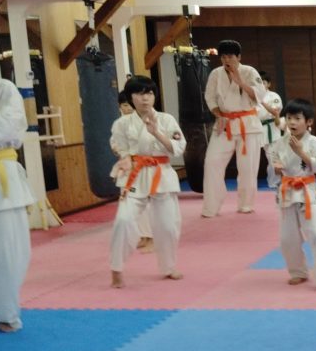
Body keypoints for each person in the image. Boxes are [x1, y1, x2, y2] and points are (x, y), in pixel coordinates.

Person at [108, 76, 187, 289]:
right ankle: (116, 268)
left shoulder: (166, 120)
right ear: (130, 98)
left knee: (168, 226)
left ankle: (168, 266)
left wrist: (156, 133)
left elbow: (179, 148)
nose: (145, 98)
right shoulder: (122, 123)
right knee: (123, 220)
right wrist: (125, 158)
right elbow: (119, 146)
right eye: (140, 94)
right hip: (135, 174)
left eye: (149, 93)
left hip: (161, 173)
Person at [266, 98, 316, 295]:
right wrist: (276, 168)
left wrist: (301, 153)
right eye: (289, 118)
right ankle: (298, 271)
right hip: (287, 191)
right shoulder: (279, 143)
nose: (292, 122)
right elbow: (273, 169)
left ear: (309, 121)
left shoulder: (315, 143)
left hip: (308, 192)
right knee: (288, 238)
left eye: (297, 118)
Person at [201, 39, 267, 217]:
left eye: (230, 56)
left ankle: (246, 204)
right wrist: (218, 114)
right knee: (212, 162)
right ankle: (211, 206)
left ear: (239, 57)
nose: (226, 60)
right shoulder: (216, 74)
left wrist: (240, 82)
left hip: (248, 125)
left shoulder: (249, 71)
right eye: (223, 57)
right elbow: (210, 98)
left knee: (247, 168)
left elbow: (260, 95)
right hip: (224, 123)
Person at [0, 78, 35, 333]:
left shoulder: (3, 89)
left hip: (2, 180)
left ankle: (5, 311)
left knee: (8, 253)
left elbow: (9, 127)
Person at [112, 91, 153, 252]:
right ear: (120, 107)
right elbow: (115, 145)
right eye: (124, 105)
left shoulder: (145, 120)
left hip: (144, 168)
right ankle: (143, 235)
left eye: (130, 105)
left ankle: (151, 238)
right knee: (129, 202)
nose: (128, 108)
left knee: (145, 204)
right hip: (127, 169)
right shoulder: (119, 124)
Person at [257, 70, 284, 171]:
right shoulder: (252, 97)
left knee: (273, 156)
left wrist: (262, 102)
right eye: (257, 83)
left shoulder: (274, 96)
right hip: (257, 128)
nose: (260, 85)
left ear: (269, 84)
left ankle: (276, 179)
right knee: (254, 157)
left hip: (271, 128)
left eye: (263, 83)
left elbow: (275, 112)